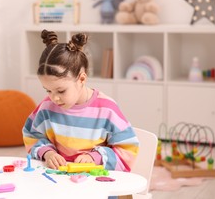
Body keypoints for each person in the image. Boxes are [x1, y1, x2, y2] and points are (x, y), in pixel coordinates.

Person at [22, 29, 139, 171]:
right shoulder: (47, 107)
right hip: (59, 182)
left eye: (61, 91)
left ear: (82, 79)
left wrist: (95, 157)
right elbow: (31, 135)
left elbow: (128, 150)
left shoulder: (106, 109)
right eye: (48, 90)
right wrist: (48, 153)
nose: (54, 98)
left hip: (96, 184)